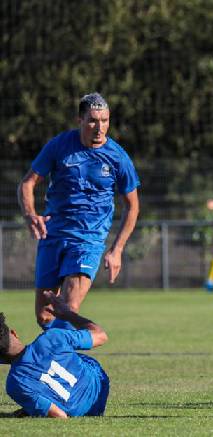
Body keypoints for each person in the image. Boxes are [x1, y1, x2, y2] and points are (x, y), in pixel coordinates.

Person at [18, 93, 140, 328]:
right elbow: (27, 182)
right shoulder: (59, 146)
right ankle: (55, 359)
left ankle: (60, 362)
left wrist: (117, 250)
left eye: (105, 120)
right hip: (53, 235)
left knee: (68, 310)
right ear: (80, 120)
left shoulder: (118, 158)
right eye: (93, 120)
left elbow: (132, 206)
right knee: (45, 316)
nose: (100, 127)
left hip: (89, 240)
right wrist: (29, 214)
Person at [1, 292, 110, 418]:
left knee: (35, 386)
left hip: (84, 412)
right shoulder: (51, 337)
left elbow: (60, 415)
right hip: (99, 388)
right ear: (14, 334)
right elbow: (101, 336)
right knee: (65, 351)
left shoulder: (14, 384)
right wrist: (68, 315)